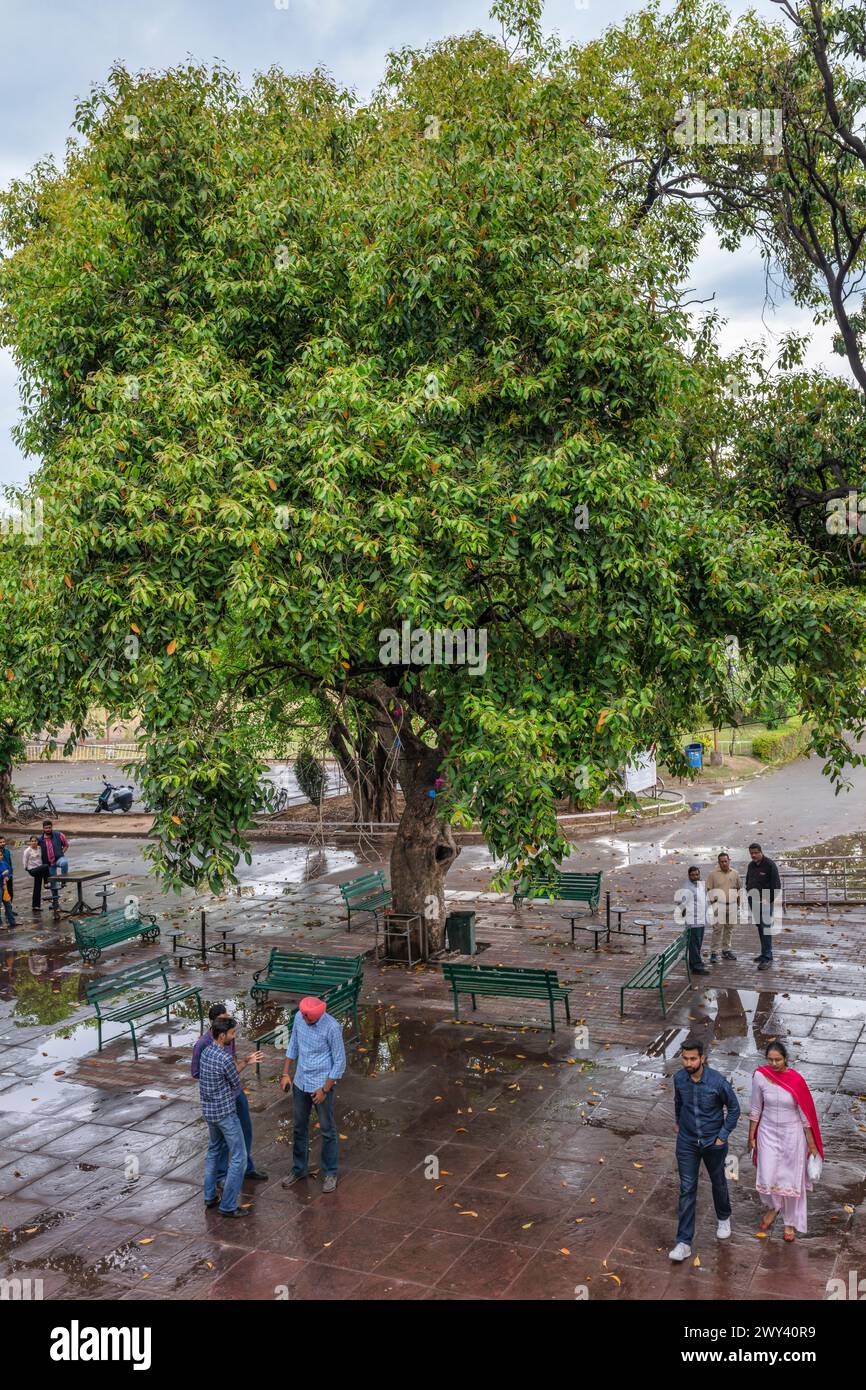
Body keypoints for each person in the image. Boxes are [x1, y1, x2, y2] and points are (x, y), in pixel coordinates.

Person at [669, 1037, 740, 1262]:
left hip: (713, 1142)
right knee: (687, 1188)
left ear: (702, 1058)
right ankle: (683, 1242)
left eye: (692, 1059)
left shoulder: (717, 1082)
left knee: (718, 1181)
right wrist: (679, 1123)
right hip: (687, 1142)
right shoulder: (679, 1079)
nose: (688, 1063)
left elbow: (735, 1109)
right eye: (685, 1059)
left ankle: (723, 1217)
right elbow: (678, 1102)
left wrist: (722, 1136)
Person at [749, 1040, 823, 1242]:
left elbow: (805, 1116)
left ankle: (789, 1223)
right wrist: (751, 1136)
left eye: (778, 1060)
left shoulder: (796, 1081)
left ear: (786, 1059)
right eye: (770, 1059)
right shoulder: (760, 1076)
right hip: (767, 1132)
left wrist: (812, 1145)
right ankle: (774, 1207)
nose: (773, 1064)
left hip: (792, 1135)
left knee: (790, 1178)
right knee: (768, 1175)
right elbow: (755, 1108)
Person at [192, 1003, 268, 1184]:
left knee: (246, 1130)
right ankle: (221, 1176)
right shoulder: (202, 1044)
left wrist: (238, 1065)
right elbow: (196, 1072)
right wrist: (218, 1076)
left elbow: (232, 1063)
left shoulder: (229, 1037)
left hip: (235, 1093)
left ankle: (248, 1168)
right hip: (219, 1100)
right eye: (223, 1021)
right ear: (214, 1024)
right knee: (222, 1141)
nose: (227, 1024)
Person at [199, 1016, 263, 1218]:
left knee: (214, 1151)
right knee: (239, 1158)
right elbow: (235, 1083)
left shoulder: (206, 1052)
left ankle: (209, 1196)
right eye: (232, 1033)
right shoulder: (225, 1058)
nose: (234, 1036)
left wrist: (245, 1060)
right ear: (222, 1035)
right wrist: (246, 1063)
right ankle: (228, 1205)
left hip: (210, 1113)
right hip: (226, 1114)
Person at [280, 996, 346, 1193]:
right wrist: (285, 1073)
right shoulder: (300, 1018)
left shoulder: (332, 1027)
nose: (305, 1020)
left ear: (316, 1016)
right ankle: (299, 1169)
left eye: (309, 1018)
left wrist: (325, 1089)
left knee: (327, 1130)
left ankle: (330, 1173)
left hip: (321, 1085)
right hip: (301, 1082)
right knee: (299, 1127)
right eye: (304, 1017)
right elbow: (293, 1045)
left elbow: (340, 1062)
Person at [745, 842, 781, 971]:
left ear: (761, 852)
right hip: (753, 901)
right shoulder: (751, 865)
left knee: (766, 928)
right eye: (751, 853)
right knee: (760, 927)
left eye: (755, 853)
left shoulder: (770, 865)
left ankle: (767, 958)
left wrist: (769, 900)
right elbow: (748, 881)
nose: (753, 855)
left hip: (765, 902)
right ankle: (764, 953)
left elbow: (776, 886)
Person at [706, 850, 742, 964]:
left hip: (731, 906)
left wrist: (738, 904)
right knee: (717, 929)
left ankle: (726, 950)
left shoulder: (735, 873)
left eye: (726, 861)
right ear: (718, 862)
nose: (724, 863)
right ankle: (714, 953)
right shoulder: (713, 874)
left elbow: (738, 888)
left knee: (729, 929)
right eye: (721, 862)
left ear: (729, 861)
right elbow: (708, 889)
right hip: (718, 905)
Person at [676, 865, 711, 975]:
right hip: (693, 921)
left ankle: (694, 963)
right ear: (689, 875)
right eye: (692, 875)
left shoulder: (699, 884)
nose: (695, 876)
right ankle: (697, 967)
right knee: (694, 943)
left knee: (698, 943)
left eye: (697, 874)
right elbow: (681, 903)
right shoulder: (687, 888)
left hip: (701, 919)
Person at [38, 820, 69, 912]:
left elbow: (66, 845)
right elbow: (33, 847)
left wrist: (61, 853)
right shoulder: (40, 839)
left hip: (59, 859)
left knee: (64, 863)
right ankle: (55, 903)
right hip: (48, 863)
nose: (48, 829)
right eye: (46, 828)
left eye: (49, 827)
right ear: (43, 828)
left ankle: (64, 880)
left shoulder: (59, 835)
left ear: (52, 827)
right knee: (53, 884)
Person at [23, 835, 45, 911]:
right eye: (32, 841)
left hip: (40, 869)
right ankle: (46, 881)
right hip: (32, 870)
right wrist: (26, 868)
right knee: (46, 866)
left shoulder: (39, 848)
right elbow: (25, 861)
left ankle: (36, 906)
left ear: (37, 841)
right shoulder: (27, 851)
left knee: (37, 887)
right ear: (30, 842)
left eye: (35, 841)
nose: (34, 842)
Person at [0, 836, 17, 927]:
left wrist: (10, 872)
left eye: (3, 842)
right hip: (1, 878)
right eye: (0, 842)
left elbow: (9, 862)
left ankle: (9, 911)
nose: (2, 843)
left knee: (10, 893)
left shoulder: (7, 851)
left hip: (8, 875)